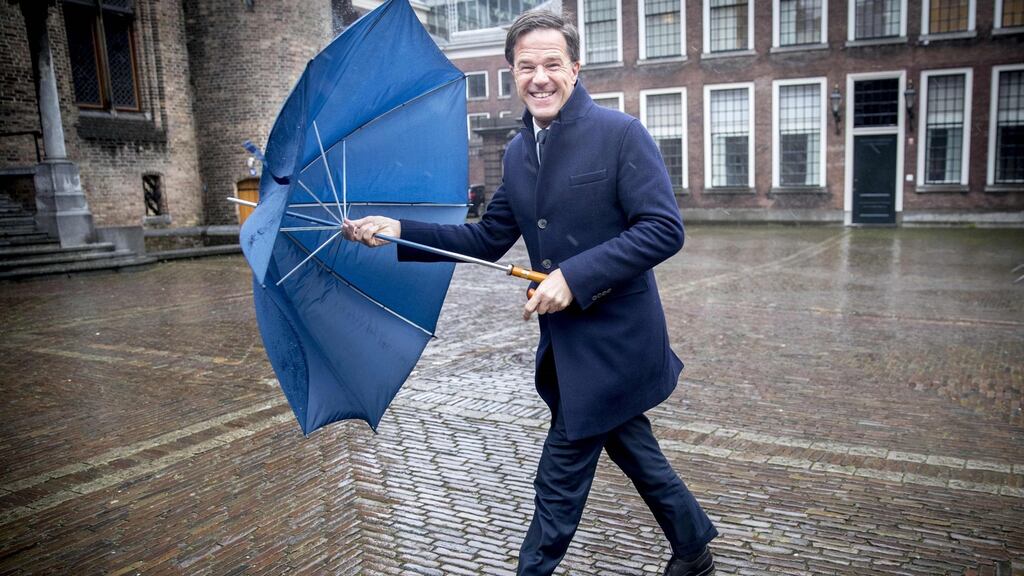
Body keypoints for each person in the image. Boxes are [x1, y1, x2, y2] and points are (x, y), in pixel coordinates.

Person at [343, 10, 717, 576]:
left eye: (551, 64)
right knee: (630, 445)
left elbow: (664, 229)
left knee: (560, 474)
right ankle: (692, 548)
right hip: (565, 344)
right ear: (512, 73)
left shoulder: (621, 134)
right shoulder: (518, 152)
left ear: (575, 68)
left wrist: (575, 276)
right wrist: (400, 229)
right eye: (525, 67)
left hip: (617, 340)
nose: (538, 78)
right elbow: (487, 238)